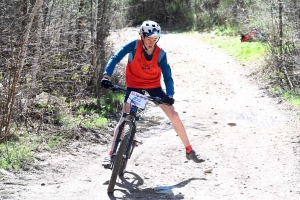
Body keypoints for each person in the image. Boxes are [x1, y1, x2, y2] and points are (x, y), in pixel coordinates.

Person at [101, 20, 205, 168]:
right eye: (149, 39)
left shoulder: (161, 54)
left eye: (155, 39)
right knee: (125, 117)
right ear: (142, 36)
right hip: (134, 86)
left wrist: (169, 95)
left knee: (174, 115)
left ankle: (189, 150)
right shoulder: (133, 46)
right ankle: (111, 154)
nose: (151, 42)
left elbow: (168, 76)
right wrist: (107, 76)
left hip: (153, 87)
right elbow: (115, 58)